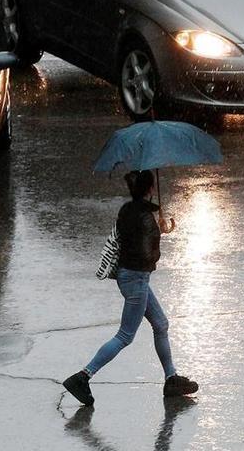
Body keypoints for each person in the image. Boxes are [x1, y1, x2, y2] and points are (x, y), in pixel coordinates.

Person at [63, 170, 198, 405]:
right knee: (125, 335)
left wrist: (157, 228)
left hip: (130, 277)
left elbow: (130, 237)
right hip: (137, 279)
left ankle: (171, 379)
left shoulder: (127, 210)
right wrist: (158, 232)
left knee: (161, 324)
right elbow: (148, 255)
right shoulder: (146, 218)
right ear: (150, 189)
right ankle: (82, 377)